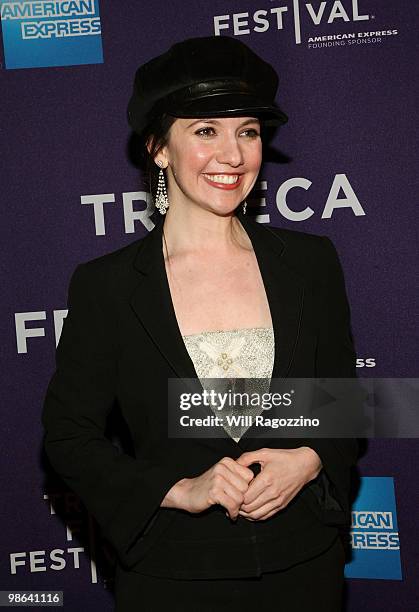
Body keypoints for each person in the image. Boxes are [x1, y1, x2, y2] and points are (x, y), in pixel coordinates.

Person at [42, 36, 358, 611]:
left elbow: (347, 398)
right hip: (173, 574)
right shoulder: (107, 285)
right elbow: (68, 436)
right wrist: (179, 489)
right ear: (159, 149)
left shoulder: (311, 262)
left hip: (304, 564)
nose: (233, 155)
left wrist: (309, 458)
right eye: (206, 130)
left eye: (249, 131)